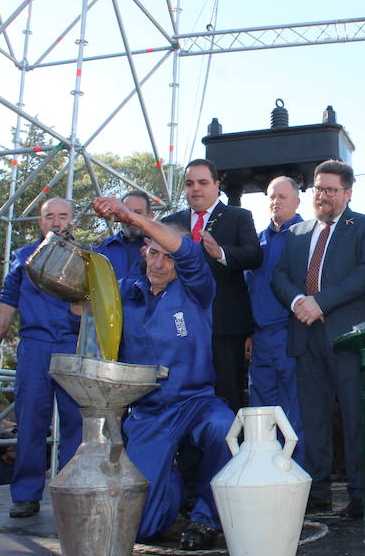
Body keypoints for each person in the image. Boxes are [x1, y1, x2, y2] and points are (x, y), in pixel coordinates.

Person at [92, 195, 235, 551]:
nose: (160, 263)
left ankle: (206, 519)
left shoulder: (197, 288)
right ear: (144, 251)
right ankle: (172, 493)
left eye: (168, 256)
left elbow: (187, 251)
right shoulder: (125, 293)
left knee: (224, 429)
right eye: (154, 253)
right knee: (143, 526)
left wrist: (130, 216)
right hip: (148, 411)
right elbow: (84, 300)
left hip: (196, 401)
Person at [271, 159, 365, 520]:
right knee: (313, 418)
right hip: (305, 338)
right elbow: (280, 276)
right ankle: (317, 492)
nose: (323, 196)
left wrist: (321, 302)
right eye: (318, 189)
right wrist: (298, 302)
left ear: (348, 193)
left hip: (348, 338)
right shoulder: (297, 232)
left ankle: (362, 494)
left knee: (354, 418)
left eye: (331, 190)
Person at [0, 197, 83, 518]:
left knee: (76, 423)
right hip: (34, 344)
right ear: (40, 223)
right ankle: (26, 494)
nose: (55, 222)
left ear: (72, 220)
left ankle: (70, 491)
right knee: (30, 421)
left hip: (73, 345)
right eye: (48, 216)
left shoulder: (88, 258)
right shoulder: (23, 258)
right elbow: (7, 301)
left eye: (62, 216)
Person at [163, 159, 262, 412]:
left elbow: (254, 256)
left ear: (217, 186)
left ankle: (229, 452)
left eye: (203, 182)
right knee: (181, 400)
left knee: (226, 398)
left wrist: (220, 253)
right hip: (179, 327)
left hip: (224, 328)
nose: (195, 188)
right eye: (189, 183)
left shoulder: (238, 217)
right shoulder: (170, 223)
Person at [244, 176, 304, 459]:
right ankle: (264, 474)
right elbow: (247, 287)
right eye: (271, 196)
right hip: (260, 339)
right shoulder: (258, 241)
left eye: (282, 196)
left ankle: (297, 480)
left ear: (297, 200)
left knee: (295, 413)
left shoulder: (308, 236)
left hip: (293, 334)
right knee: (261, 414)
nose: (275, 202)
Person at [95, 190, 155, 280]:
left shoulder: (162, 250)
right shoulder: (101, 248)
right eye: (125, 212)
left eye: (138, 213)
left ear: (150, 216)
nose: (129, 218)